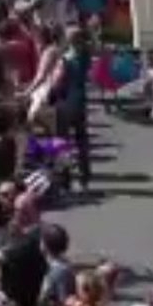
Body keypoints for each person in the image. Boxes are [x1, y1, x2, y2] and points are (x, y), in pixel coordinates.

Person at [55, 26, 93, 190]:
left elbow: (57, 81)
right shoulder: (85, 56)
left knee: (62, 142)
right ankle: (84, 175)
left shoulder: (65, 59)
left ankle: (65, 178)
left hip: (65, 103)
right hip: (80, 101)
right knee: (81, 140)